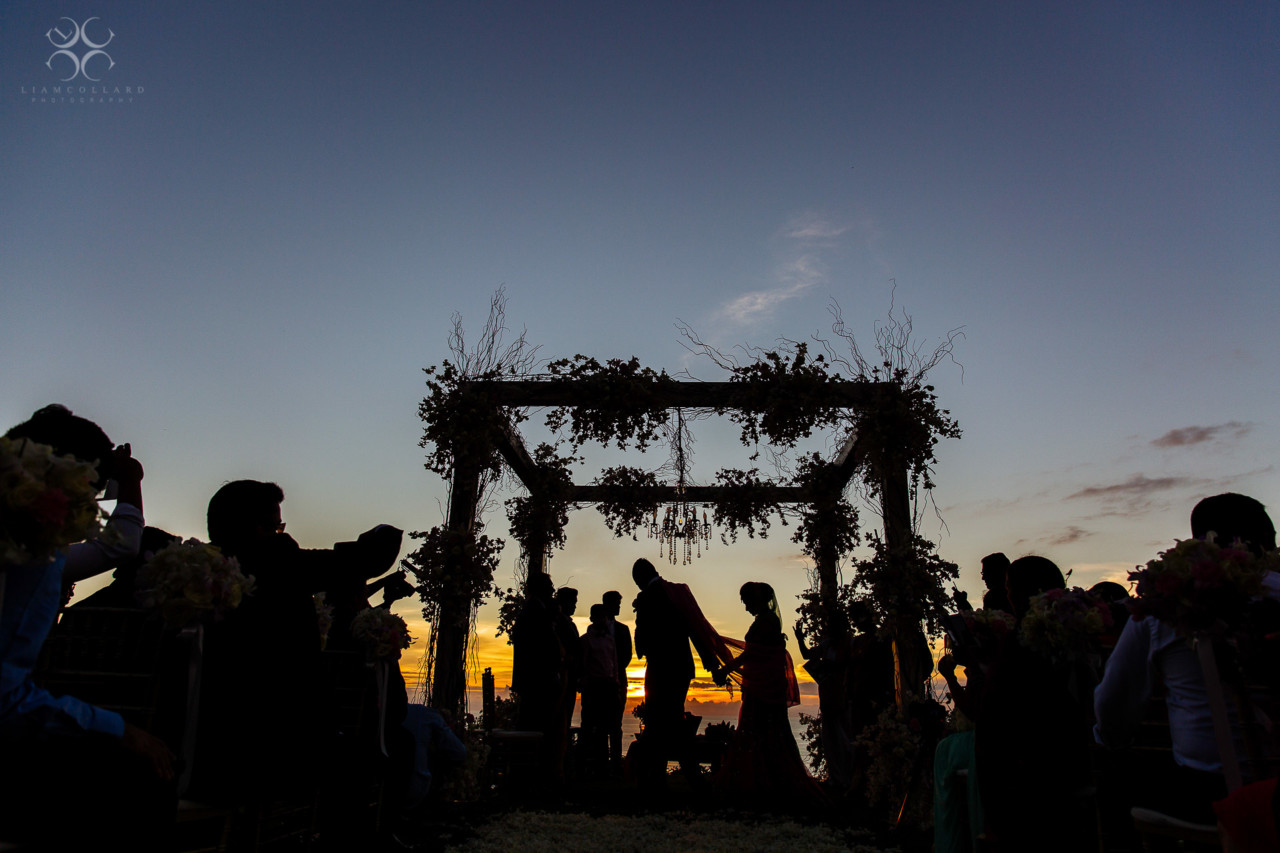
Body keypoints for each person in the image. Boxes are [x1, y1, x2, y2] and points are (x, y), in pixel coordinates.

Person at [0, 405, 174, 846]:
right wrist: (119, 730)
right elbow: (5, 698)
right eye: (89, 496)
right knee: (144, 772)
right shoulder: (32, 547)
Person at [192, 479, 402, 799]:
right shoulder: (276, 561)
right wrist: (379, 538)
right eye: (276, 527)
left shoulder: (195, 573)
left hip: (203, 743)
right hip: (277, 745)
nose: (281, 534)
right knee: (369, 762)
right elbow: (361, 561)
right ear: (259, 529)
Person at [1094, 494, 1280, 824]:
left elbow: (1114, 700)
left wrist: (1113, 740)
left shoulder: (1159, 607)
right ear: (1266, 539)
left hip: (1206, 793)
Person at [712, 582, 825, 808]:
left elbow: (753, 653)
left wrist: (725, 668)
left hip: (765, 690)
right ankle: (761, 781)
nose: (745, 608)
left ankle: (765, 783)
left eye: (747, 602)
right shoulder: (766, 621)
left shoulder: (767, 622)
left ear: (757, 600)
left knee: (765, 733)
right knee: (762, 733)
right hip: (762, 687)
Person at [631, 558, 729, 793]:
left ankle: (664, 778)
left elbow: (642, 637)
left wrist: (641, 646)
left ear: (640, 579)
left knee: (660, 721)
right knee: (670, 720)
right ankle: (669, 777)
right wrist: (711, 664)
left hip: (660, 668)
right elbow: (696, 628)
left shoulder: (646, 598)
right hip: (682, 667)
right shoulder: (678, 592)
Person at [579, 603, 620, 778]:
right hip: (594, 686)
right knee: (588, 726)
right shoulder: (586, 640)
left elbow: (614, 662)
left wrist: (616, 682)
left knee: (605, 727)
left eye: (605, 617)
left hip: (609, 685)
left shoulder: (610, 639)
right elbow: (583, 664)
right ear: (592, 619)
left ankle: (603, 767)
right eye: (600, 617)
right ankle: (582, 766)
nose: (603, 620)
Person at [602, 589, 632, 774]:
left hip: (619, 679)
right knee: (602, 724)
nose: (619, 607)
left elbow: (627, 654)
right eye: (616, 604)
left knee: (616, 724)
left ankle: (615, 764)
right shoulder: (597, 628)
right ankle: (602, 764)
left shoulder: (623, 629)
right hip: (601, 680)